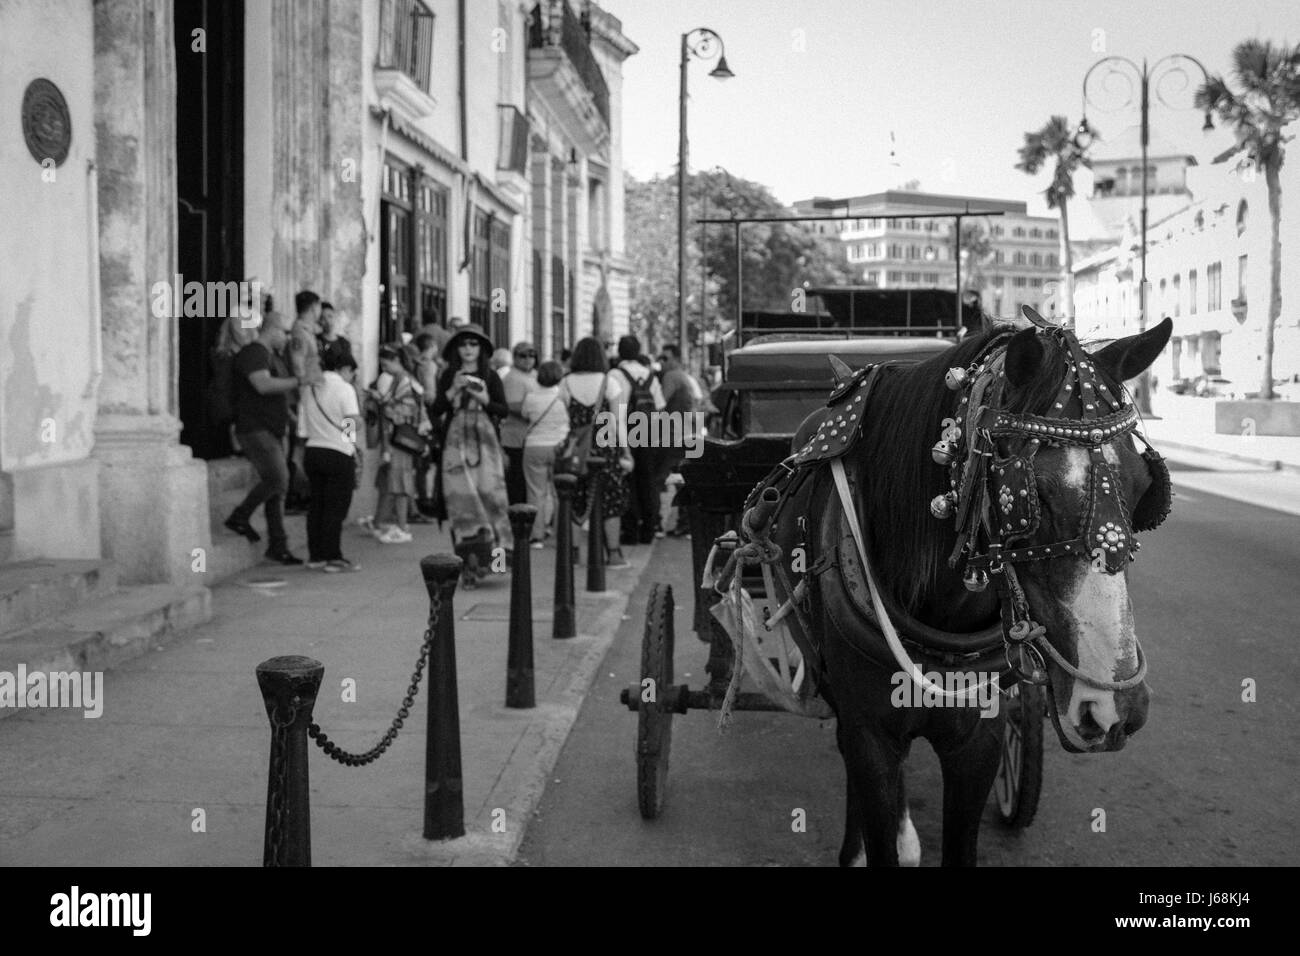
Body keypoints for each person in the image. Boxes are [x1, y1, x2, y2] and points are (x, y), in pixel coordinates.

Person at [224, 311, 304, 565]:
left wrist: (291, 417)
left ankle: (278, 546)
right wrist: (299, 380)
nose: (286, 338)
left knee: (276, 488)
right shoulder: (253, 353)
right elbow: (263, 385)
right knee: (279, 479)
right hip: (255, 429)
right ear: (274, 330)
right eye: (284, 332)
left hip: (272, 428)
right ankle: (240, 516)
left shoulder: (271, 356)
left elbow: (275, 393)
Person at [429, 324, 513, 558]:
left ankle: (497, 558)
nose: (468, 349)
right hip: (455, 445)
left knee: (491, 497)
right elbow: (436, 409)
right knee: (460, 499)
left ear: (481, 349)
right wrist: (452, 390)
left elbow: (503, 410)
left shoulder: (491, 376)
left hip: (485, 444)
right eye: (463, 344)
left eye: (473, 344)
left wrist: (484, 398)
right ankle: (468, 562)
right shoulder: (448, 375)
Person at [560, 336, 632, 568]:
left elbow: (562, 420)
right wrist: (626, 452)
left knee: (575, 500)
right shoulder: (609, 383)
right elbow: (618, 422)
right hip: (605, 450)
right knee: (611, 502)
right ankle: (614, 554)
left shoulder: (565, 383)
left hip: (575, 451)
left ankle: (572, 554)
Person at [300, 351, 362, 572]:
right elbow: (351, 419)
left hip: (313, 450)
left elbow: (302, 427)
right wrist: (351, 440)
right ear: (345, 368)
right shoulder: (345, 388)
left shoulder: (310, 388)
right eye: (352, 373)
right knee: (336, 507)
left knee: (317, 505)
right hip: (337, 452)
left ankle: (315, 555)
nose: (352, 377)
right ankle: (332, 556)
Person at [612, 334, 666, 545]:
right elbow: (660, 407)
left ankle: (630, 530)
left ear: (619, 352)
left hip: (623, 431)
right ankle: (649, 529)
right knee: (648, 480)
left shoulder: (615, 375)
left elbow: (612, 410)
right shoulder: (649, 374)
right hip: (648, 432)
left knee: (627, 482)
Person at [369, 345, 424, 543]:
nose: (383, 368)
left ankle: (401, 526)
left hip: (400, 439)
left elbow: (404, 412)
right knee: (394, 481)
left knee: (399, 481)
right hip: (398, 439)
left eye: (386, 363)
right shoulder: (403, 380)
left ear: (397, 361)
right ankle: (385, 522)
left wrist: (383, 404)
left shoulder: (403, 382)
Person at [655, 344, 701, 536]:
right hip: (687, 433)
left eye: (665, 358)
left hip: (673, 434)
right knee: (682, 478)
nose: (661, 363)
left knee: (659, 478)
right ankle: (686, 523)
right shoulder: (684, 376)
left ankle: (657, 524)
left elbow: (660, 405)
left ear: (674, 359)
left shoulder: (671, 376)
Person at [521, 360, 568, 548]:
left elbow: (525, 414)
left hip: (535, 445)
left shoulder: (531, 397)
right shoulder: (563, 397)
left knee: (535, 492)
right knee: (560, 493)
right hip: (560, 445)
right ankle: (561, 533)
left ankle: (537, 536)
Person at [500, 341, 538, 505]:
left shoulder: (534, 375)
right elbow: (512, 405)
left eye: (532, 355)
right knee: (517, 482)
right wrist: (535, 412)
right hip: (515, 438)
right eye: (523, 355)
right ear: (515, 357)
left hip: (529, 437)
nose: (528, 359)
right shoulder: (513, 378)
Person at [317, 301, 354, 371]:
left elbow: (349, 368)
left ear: (335, 316)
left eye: (330, 316)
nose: (327, 321)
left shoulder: (344, 343)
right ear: (318, 321)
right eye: (322, 318)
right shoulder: (316, 341)